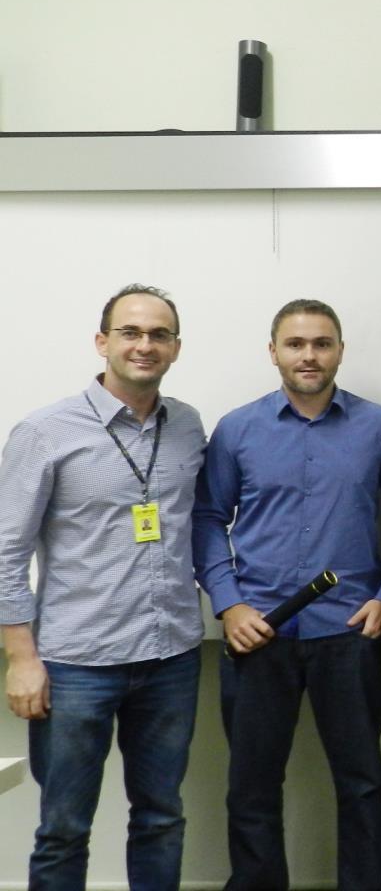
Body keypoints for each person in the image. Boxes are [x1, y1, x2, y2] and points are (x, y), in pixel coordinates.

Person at [192, 298, 381, 890]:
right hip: (260, 633)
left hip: (350, 630)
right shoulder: (238, 429)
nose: (308, 356)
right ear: (274, 352)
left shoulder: (379, 427)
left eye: (321, 343)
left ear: (340, 350)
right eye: (295, 344)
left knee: (363, 781)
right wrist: (230, 605)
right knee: (252, 785)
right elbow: (208, 517)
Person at [0, 284, 207, 891]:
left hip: (171, 657)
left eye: (159, 335)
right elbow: (6, 549)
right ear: (103, 342)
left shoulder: (188, 426)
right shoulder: (44, 431)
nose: (145, 345)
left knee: (162, 818)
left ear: (175, 348)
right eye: (130, 332)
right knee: (63, 828)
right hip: (75, 664)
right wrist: (21, 659)